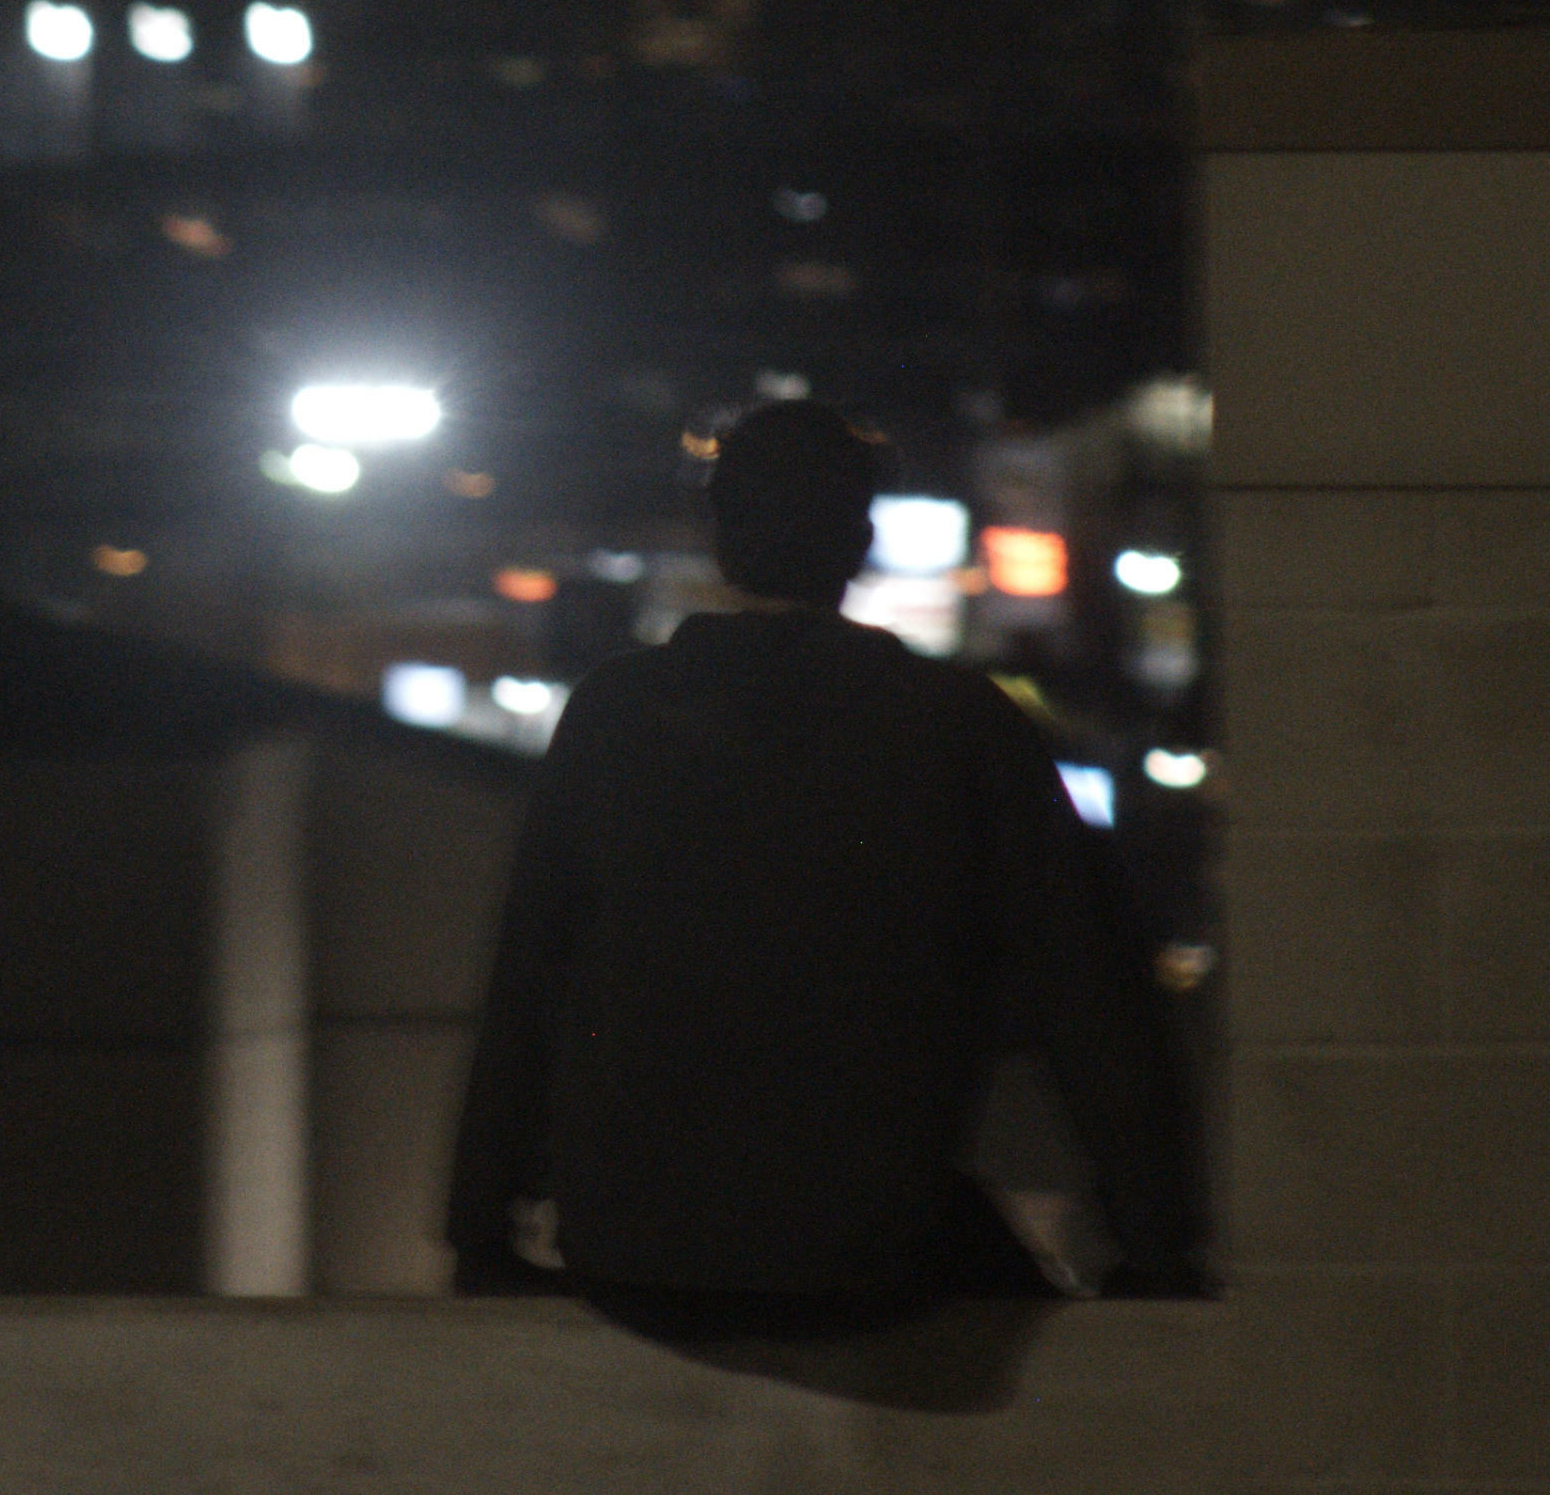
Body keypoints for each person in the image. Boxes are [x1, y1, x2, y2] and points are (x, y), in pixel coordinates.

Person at [448, 402, 1204, 1323]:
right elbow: (1092, 1001)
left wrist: (479, 1233)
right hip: (863, 1249)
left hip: (633, 1252)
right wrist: (1160, 1246)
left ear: (722, 538)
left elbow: (527, 979)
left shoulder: (614, 716)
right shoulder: (960, 726)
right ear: (861, 539)